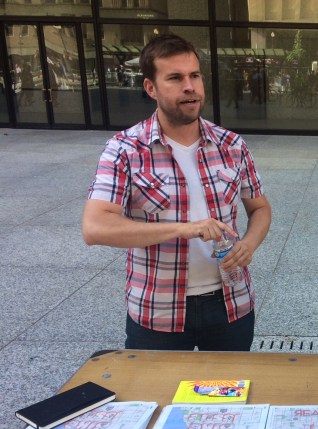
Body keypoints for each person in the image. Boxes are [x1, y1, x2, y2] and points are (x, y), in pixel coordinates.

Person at [82, 33, 271, 352]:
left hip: (230, 306)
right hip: (157, 310)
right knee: (157, 398)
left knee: (229, 397)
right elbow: (95, 227)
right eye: (175, 78)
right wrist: (186, 229)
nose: (190, 86)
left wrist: (248, 245)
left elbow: (260, 208)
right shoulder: (125, 150)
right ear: (150, 88)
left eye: (194, 75)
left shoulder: (231, 145)